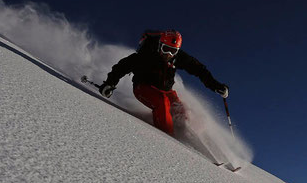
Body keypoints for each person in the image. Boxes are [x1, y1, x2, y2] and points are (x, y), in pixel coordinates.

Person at [98, 30, 229, 136]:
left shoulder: (178, 58)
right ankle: (167, 138)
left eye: (173, 51)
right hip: (143, 88)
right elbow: (122, 66)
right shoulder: (147, 54)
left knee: (181, 109)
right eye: (166, 49)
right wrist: (110, 84)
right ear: (160, 45)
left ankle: (185, 132)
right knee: (162, 102)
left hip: (166, 91)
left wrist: (216, 86)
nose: (168, 54)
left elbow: (200, 70)